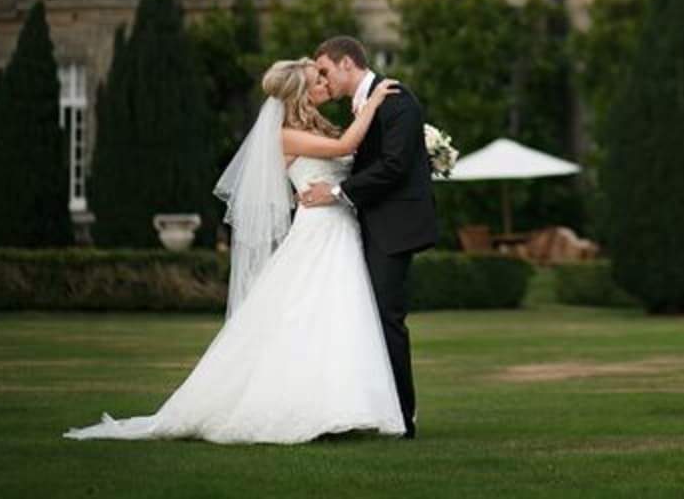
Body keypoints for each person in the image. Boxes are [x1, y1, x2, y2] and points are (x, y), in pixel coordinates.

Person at [64, 58, 405, 444]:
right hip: (319, 233)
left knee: (338, 318)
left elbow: (345, 162)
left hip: (339, 230)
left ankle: (344, 409)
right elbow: (346, 146)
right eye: (318, 81)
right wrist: (374, 102)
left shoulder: (315, 126)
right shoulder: (286, 134)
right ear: (300, 94)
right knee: (311, 316)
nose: (326, 85)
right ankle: (310, 409)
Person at [300, 35, 438, 440]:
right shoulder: (362, 105)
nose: (322, 79)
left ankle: (402, 417)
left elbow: (394, 166)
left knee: (387, 318)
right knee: (365, 319)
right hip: (367, 225)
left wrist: (337, 193)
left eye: (325, 70)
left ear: (347, 64)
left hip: (394, 227)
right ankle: (371, 408)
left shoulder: (395, 98)